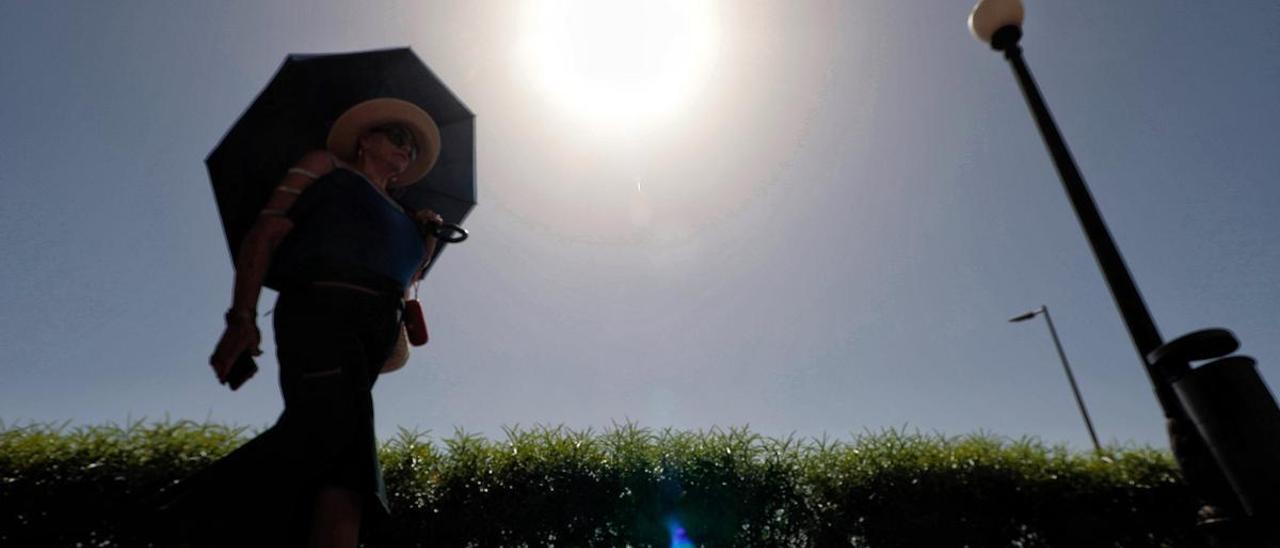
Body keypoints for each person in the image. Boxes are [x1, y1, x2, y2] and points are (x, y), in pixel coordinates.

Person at [161, 98, 444, 548]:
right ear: (365, 139)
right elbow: (266, 231)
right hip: (321, 311)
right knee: (337, 439)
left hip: (373, 335)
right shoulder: (325, 165)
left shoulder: (407, 216)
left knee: (331, 448)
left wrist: (426, 239)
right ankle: (179, 526)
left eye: (412, 147)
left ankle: (187, 524)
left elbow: (407, 276)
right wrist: (242, 317)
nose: (407, 150)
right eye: (398, 137)